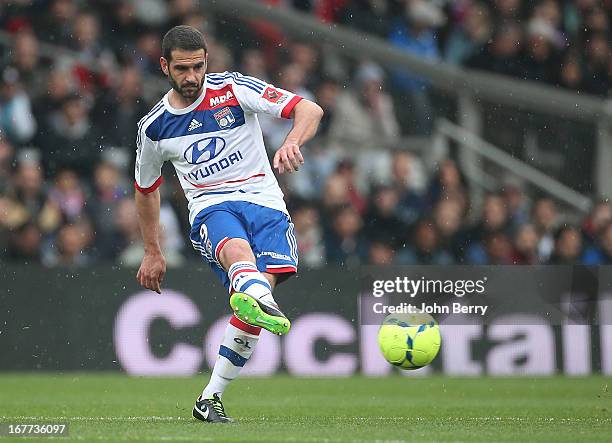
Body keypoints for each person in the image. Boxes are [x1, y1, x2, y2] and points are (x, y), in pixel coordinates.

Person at [133, 26, 323, 423]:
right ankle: (258, 295)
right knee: (240, 257)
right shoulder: (154, 127)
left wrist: (292, 142)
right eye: (182, 69)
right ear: (165, 66)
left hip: (268, 206)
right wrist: (152, 250)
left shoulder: (234, 89)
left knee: (250, 308)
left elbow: (310, 110)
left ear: (207, 62)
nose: (191, 77)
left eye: (198, 67)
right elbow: (146, 188)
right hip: (211, 208)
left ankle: (209, 398)